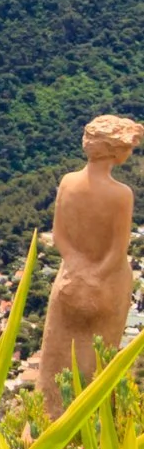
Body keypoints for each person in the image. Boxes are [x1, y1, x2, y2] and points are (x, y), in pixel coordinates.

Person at [38, 114, 144, 413]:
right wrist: (96, 277)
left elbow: (58, 235)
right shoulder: (121, 195)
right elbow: (117, 249)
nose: (131, 153)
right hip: (108, 284)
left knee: (55, 364)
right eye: (130, 147)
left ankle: (45, 429)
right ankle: (94, 436)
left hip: (69, 279)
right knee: (99, 364)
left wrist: (77, 269)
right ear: (115, 150)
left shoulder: (68, 182)